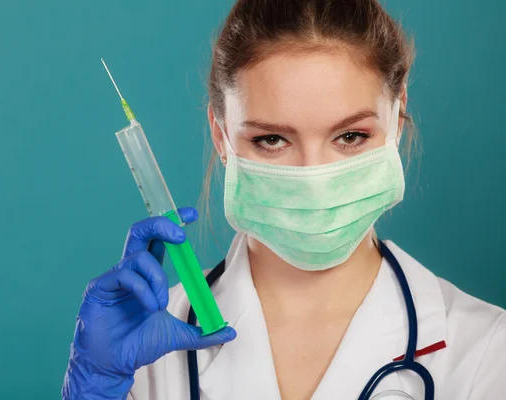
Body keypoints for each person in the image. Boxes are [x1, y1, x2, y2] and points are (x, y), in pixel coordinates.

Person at [62, 0, 506, 399]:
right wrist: (91, 388)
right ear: (221, 134)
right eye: (272, 139)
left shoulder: (486, 350)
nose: (313, 177)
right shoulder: (142, 349)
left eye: (350, 136)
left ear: (397, 119)